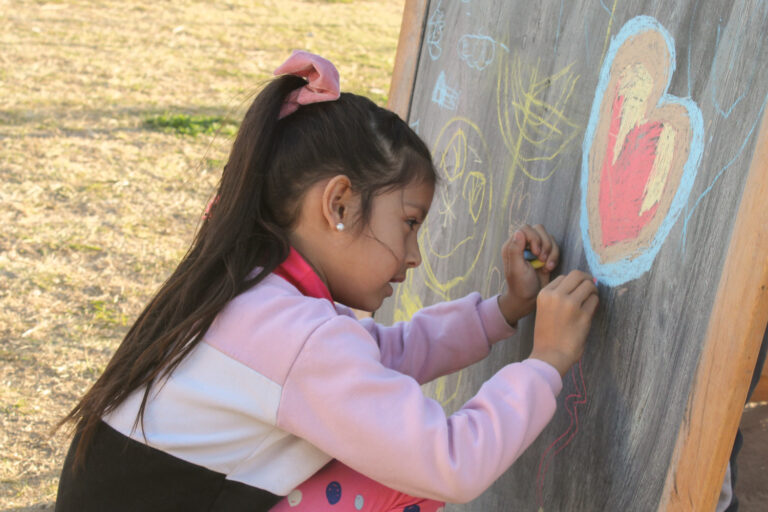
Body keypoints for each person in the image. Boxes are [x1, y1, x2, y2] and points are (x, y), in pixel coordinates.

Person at [54, 51, 599, 512]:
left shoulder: (252, 294)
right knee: (397, 474)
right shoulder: (296, 336)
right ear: (338, 204)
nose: (413, 256)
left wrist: (503, 310)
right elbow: (449, 462)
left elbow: (377, 358)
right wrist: (545, 361)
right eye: (409, 224)